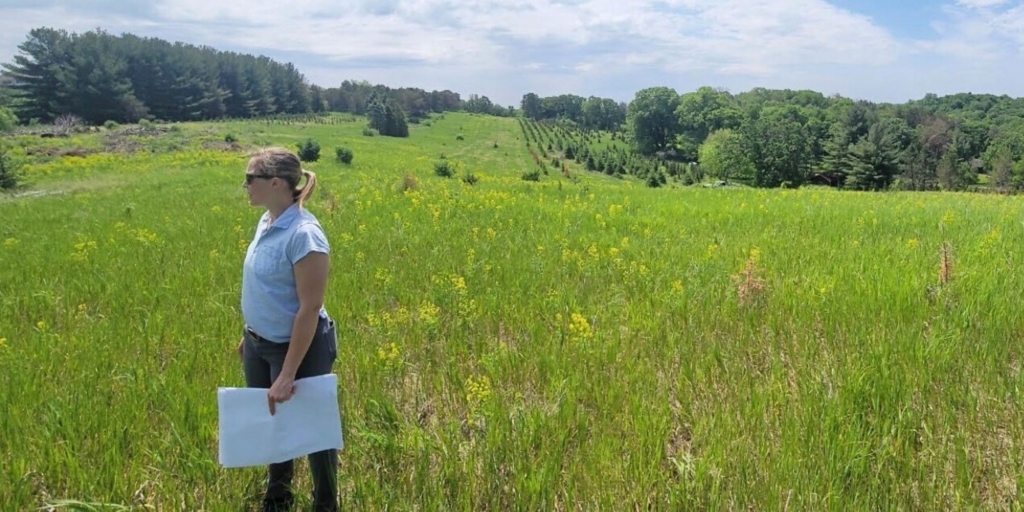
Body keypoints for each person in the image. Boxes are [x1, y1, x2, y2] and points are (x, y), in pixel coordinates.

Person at [238, 147, 338, 511]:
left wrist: (289, 372)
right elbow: (268, 289)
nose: (245, 185)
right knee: (274, 421)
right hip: (259, 344)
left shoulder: (304, 234)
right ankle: (277, 497)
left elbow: (309, 307)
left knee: (314, 432)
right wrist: (249, 335)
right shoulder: (267, 220)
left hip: (297, 348)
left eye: (250, 178)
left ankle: (326, 504)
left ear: (276, 183)